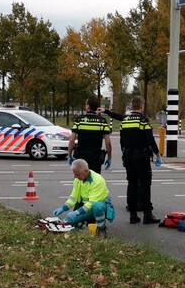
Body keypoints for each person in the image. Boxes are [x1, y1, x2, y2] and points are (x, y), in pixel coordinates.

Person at [104, 96, 162, 224]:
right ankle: (147, 215)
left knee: (132, 184)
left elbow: (122, 141)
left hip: (128, 157)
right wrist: (157, 154)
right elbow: (150, 139)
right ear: (141, 106)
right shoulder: (143, 120)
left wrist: (125, 154)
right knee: (145, 185)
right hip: (141, 157)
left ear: (131, 106)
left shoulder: (125, 121)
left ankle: (133, 215)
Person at [52, 158, 114, 235]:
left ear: (86, 171)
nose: (75, 176)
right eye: (74, 174)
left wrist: (77, 212)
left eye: (77, 174)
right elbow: (73, 197)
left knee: (97, 206)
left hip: (99, 206)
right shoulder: (78, 179)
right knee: (69, 220)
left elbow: (91, 203)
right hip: (85, 206)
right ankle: (84, 223)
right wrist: (63, 208)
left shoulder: (97, 180)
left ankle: (101, 228)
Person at [67, 96, 112, 174]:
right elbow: (108, 143)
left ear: (88, 106)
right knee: (94, 182)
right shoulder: (102, 121)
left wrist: (69, 155)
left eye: (85, 104)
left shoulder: (79, 120)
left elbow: (72, 140)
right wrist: (109, 157)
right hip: (96, 158)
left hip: (81, 159)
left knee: (81, 182)